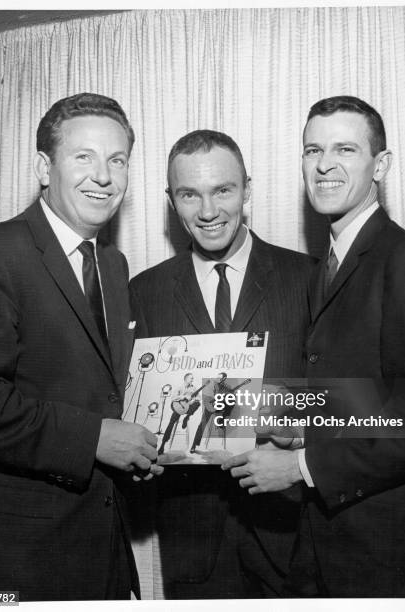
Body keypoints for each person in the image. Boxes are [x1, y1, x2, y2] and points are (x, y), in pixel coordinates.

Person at [223, 96, 405, 597]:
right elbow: (367, 396)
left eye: (345, 149)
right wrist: (293, 424)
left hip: (388, 555)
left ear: (380, 165)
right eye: (312, 150)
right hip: (324, 544)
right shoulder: (326, 264)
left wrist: (300, 467)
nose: (324, 165)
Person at [0, 92, 163, 601]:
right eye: (84, 157)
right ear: (43, 168)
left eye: (117, 160)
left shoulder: (114, 267)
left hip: (104, 551)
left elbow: (106, 392)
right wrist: (94, 437)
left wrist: (146, 442)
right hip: (19, 561)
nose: (103, 176)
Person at [130, 129, 314, 598]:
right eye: (189, 194)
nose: (208, 212)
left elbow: (362, 404)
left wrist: (297, 444)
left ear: (248, 190)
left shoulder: (310, 279)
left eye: (223, 191)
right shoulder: (143, 293)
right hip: (192, 545)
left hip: (291, 538)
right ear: (171, 201)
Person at [158, 372, 197, 455]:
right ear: (186, 379)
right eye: (191, 378)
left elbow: (198, 398)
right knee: (171, 423)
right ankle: (162, 445)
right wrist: (183, 397)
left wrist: (192, 400)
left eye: (193, 378)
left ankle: (186, 418)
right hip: (178, 408)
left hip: (187, 408)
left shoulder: (194, 388)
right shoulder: (180, 387)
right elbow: (173, 398)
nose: (193, 380)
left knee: (197, 403)